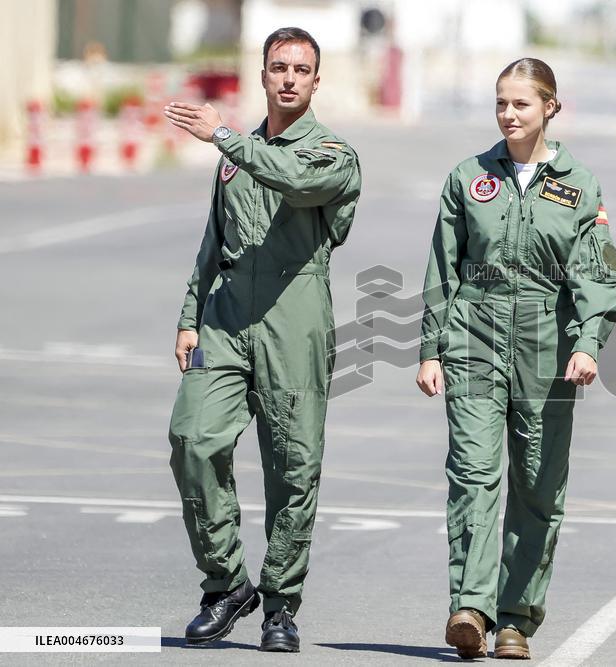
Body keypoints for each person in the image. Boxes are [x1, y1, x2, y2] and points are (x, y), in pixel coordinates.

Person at [416, 57, 616, 660]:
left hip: (547, 349)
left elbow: (598, 273)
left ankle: (516, 619)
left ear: (550, 108)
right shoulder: (467, 177)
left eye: (521, 104)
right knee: (473, 479)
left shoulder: (580, 185)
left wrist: (588, 344)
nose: (509, 114)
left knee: (537, 486)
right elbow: (442, 268)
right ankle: (470, 610)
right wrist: (431, 348)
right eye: (501, 103)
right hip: (474, 341)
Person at [163, 26, 361, 652]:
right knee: (191, 439)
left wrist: (221, 134)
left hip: (293, 321)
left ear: (316, 80)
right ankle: (226, 583)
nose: (289, 79)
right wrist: (190, 315)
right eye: (279, 67)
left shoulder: (333, 153)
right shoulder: (235, 155)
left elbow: (294, 181)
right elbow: (211, 241)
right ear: (263, 74)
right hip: (225, 319)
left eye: (301, 69)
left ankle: (280, 605)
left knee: (292, 467)